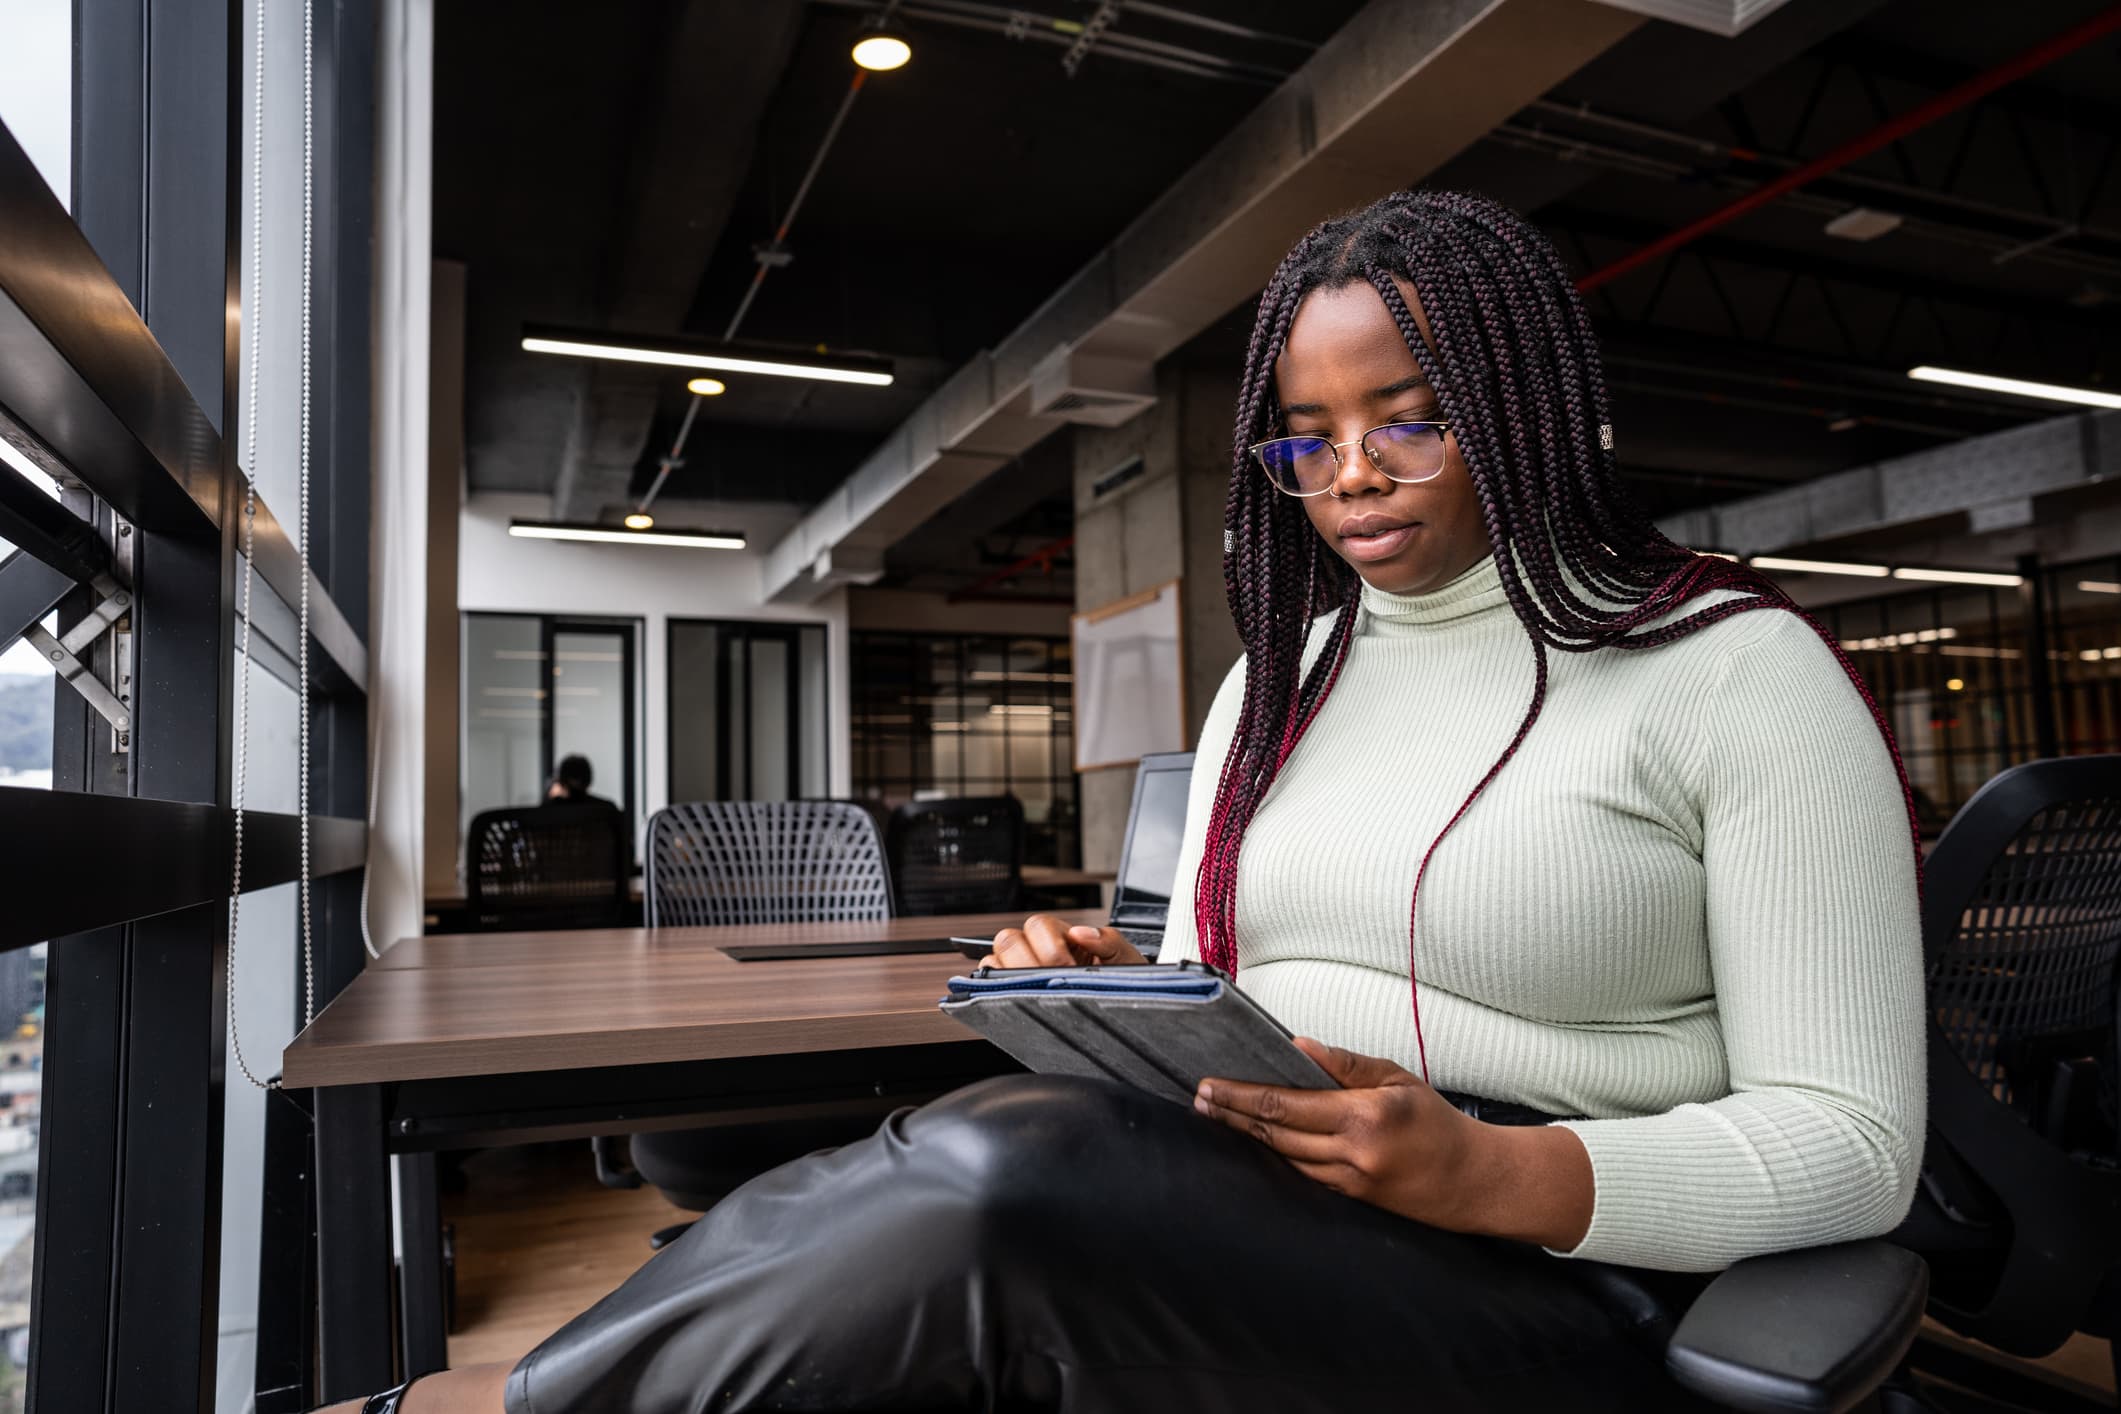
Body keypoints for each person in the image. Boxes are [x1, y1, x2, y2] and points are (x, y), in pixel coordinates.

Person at [325, 190, 1923, 1414]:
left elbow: (1856, 1146)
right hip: (1274, 1189)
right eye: (1308, 434)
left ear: (1526, 401)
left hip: (1575, 1268)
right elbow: (1248, 972)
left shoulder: (1729, 668)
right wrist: (1125, 983)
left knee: (1004, 1186)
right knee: (980, 1159)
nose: (1348, 470)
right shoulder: (1282, 675)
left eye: (1410, 418)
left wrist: (1495, 1172)